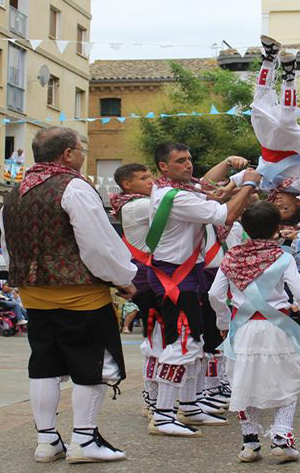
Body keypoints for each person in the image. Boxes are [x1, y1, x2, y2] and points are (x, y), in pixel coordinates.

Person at [0, 127, 138, 463]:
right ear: (67, 155)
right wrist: (124, 278)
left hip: (34, 294)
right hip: (79, 293)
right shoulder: (74, 187)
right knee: (95, 364)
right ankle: (84, 439)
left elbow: (7, 246)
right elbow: (98, 243)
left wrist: (23, 280)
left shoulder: (14, 192)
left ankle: (47, 441)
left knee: (44, 364)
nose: (83, 154)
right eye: (81, 149)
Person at [144, 142, 259, 437]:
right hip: (175, 278)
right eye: (180, 161)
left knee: (191, 342)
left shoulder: (173, 188)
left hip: (183, 274)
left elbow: (205, 184)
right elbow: (224, 215)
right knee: (182, 344)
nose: (188, 164)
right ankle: (163, 416)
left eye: (189, 159)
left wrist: (227, 163)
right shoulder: (176, 197)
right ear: (164, 167)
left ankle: (190, 406)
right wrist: (247, 184)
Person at [208, 202, 300, 463]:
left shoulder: (231, 256)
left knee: (242, 382)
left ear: (244, 227)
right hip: (276, 327)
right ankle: (281, 437)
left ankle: (250, 442)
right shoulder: (283, 257)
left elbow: (214, 294)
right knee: (287, 380)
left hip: (242, 328)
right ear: (277, 229)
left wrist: (224, 322)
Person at [219, 36, 300, 227]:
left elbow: (243, 176)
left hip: (268, 143)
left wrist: (228, 188)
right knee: (286, 120)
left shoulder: (266, 185)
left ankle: (269, 57)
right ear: (297, 202)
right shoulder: (298, 186)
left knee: (257, 106)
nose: (279, 204)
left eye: (277, 209)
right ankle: (289, 76)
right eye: (286, 208)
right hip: (290, 146)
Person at [110, 163, 162, 416]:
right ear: (126, 185)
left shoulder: (134, 204)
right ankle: (152, 398)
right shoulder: (137, 206)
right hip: (147, 279)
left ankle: (156, 396)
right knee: (156, 339)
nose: (151, 181)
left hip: (151, 278)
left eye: (151, 176)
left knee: (158, 338)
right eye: (143, 178)